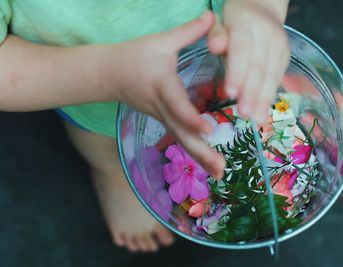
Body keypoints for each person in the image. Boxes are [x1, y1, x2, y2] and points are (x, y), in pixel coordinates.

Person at [0, 0, 289, 253]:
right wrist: (107, 76)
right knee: (100, 140)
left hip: (229, 51)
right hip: (94, 91)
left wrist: (260, 7)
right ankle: (114, 174)